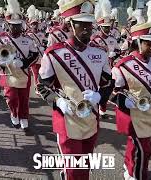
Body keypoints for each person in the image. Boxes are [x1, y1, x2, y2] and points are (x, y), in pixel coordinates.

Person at [37, 0, 113, 179]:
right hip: (67, 118)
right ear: (70, 24)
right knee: (73, 169)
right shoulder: (53, 54)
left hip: (91, 117)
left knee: (85, 164)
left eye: (89, 23)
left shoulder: (100, 53)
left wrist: (99, 96)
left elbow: (109, 83)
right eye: (81, 23)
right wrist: (58, 101)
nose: (87, 28)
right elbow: (41, 86)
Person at [111, 0, 151, 179]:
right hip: (133, 113)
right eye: (148, 43)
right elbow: (113, 92)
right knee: (144, 148)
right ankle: (137, 174)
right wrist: (124, 100)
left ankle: (129, 168)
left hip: (150, 111)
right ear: (138, 42)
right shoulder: (123, 65)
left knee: (135, 145)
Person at [0, 0, 39, 130]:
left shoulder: (28, 40)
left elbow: (35, 55)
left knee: (24, 98)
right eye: (13, 25)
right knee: (12, 98)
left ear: (22, 25)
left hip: (24, 73)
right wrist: (3, 61)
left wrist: (24, 63)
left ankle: (24, 118)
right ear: (7, 24)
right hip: (8, 72)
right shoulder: (0, 39)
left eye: (18, 25)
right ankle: (14, 113)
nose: (15, 28)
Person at [91, 0, 120, 118]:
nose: (108, 29)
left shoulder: (113, 39)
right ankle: (96, 110)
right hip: (97, 68)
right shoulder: (94, 39)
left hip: (110, 68)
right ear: (100, 27)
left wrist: (115, 54)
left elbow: (119, 50)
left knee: (107, 91)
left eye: (108, 27)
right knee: (97, 90)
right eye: (105, 27)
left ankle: (102, 109)